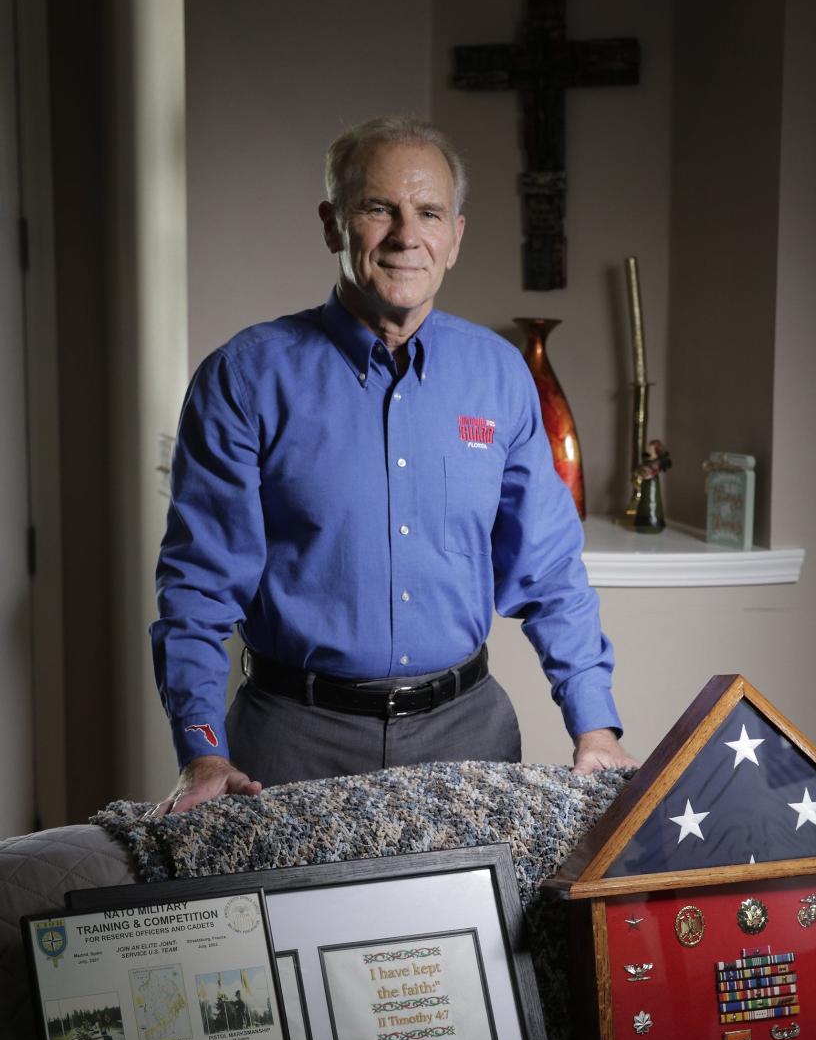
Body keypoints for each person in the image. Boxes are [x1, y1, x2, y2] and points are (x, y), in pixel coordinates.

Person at [152, 115, 637, 815]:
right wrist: (203, 751)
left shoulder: (499, 378)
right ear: (333, 224)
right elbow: (196, 588)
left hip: (470, 736)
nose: (407, 235)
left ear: (456, 237)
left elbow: (551, 571)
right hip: (291, 746)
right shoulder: (244, 378)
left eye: (430, 212)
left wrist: (595, 726)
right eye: (379, 208)